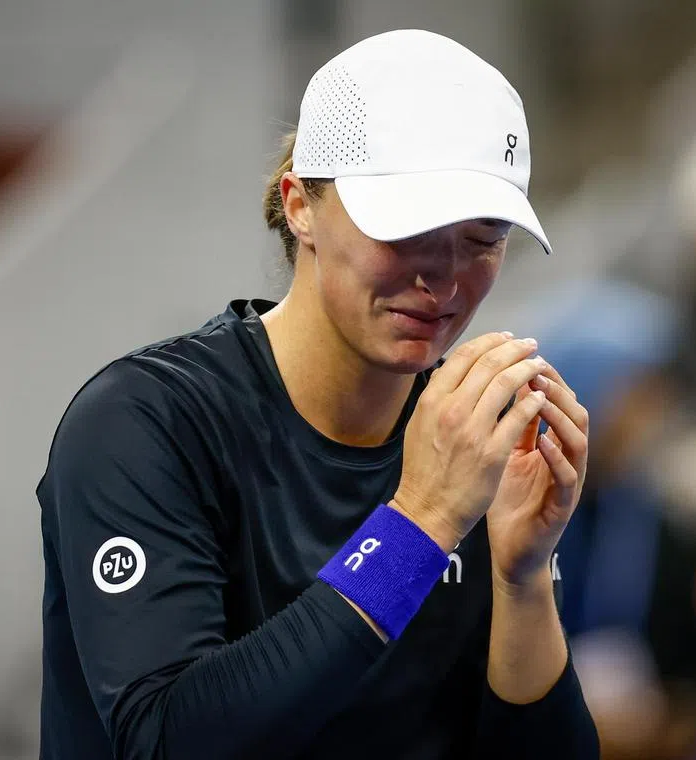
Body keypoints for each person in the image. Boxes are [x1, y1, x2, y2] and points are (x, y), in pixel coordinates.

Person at [38, 29, 599, 760]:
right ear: (300, 203)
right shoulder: (145, 423)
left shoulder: (477, 440)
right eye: (407, 231)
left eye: (482, 238)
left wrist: (523, 579)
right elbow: (169, 740)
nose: (445, 279)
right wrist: (421, 522)